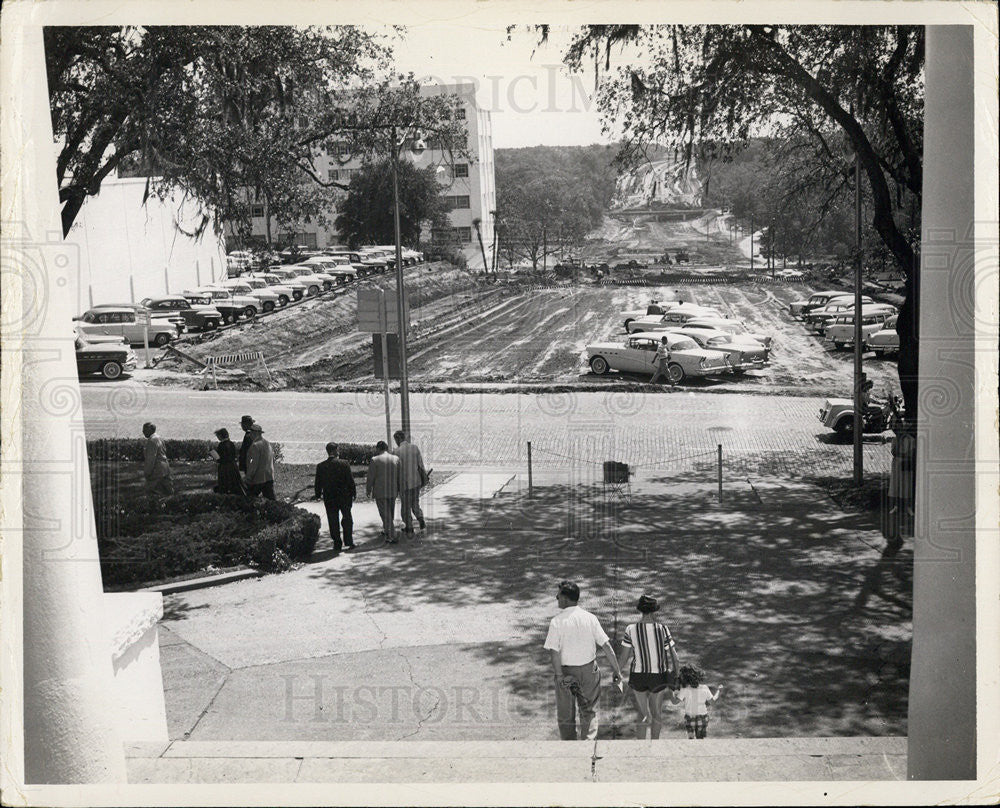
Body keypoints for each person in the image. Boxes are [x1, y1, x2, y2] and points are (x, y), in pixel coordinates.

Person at [543, 580, 623, 741]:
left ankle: (570, 747)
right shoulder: (590, 618)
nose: (556, 598)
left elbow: (554, 651)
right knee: (589, 710)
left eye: (558, 596)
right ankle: (588, 745)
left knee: (566, 713)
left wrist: (559, 675)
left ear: (565, 599)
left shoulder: (557, 622)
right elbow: (606, 645)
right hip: (589, 671)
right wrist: (617, 670)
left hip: (566, 672)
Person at [620, 594, 680, 740]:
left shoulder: (631, 629)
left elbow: (624, 657)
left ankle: (641, 748)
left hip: (638, 675)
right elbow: (675, 657)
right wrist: (676, 675)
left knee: (642, 713)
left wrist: (617, 672)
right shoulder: (663, 629)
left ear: (641, 610)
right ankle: (655, 746)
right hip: (658, 676)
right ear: (654, 611)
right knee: (656, 713)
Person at [314, 442, 356, 553]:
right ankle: (349, 541)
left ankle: (337, 542)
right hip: (344, 496)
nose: (339, 451)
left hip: (330, 497)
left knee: (333, 520)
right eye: (337, 449)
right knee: (347, 518)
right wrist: (353, 492)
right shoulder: (344, 464)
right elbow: (350, 480)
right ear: (334, 451)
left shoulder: (321, 466)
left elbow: (318, 483)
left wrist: (318, 495)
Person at [668, 665, 723, 739]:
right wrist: (719, 691)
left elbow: (674, 702)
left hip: (689, 718)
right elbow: (712, 701)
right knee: (700, 739)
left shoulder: (684, 689)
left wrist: (670, 690)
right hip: (703, 718)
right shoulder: (704, 688)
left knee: (691, 739)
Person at [393, 430, 428, 534]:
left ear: (398, 438)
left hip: (405, 483)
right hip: (416, 481)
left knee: (405, 506)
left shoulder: (397, 452)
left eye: (395, 440)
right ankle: (420, 518)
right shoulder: (415, 448)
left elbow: (396, 470)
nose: (395, 442)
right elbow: (420, 465)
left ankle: (409, 526)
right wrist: (424, 478)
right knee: (415, 502)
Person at [366, 440, 401, 543]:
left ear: (378, 449)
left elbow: (371, 477)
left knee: (384, 514)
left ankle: (392, 535)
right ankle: (387, 530)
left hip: (380, 490)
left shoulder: (374, 460)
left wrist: (368, 489)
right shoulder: (395, 459)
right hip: (393, 490)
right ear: (386, 448)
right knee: (390, 512)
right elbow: (399, 476)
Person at [142, 422, 173, 496]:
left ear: (150, 430)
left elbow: (151, 458)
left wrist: (147, 472)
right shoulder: (159, 438)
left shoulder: (152, 440)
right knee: (167, 491)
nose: (143, 431)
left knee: (152, 492)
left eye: (144, 429)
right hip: (165, 468)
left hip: (157, 470)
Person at [245, 423, 276, 500]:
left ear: (254, 433)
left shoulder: (255, 445)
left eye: (251, 433)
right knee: (271, 499)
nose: (250, 435)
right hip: (269, 476)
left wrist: (249, 476)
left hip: (259, 477)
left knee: (249, 498)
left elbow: (254, 463)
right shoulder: (267, 443)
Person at [213, 428, 246, 496]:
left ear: (221, 436)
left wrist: (217, 459)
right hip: (233, 466)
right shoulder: (231, 444)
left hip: (224, 467)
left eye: (218, 436)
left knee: (224, 483)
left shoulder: (221, 445)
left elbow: (222, 458)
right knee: (235, 482)